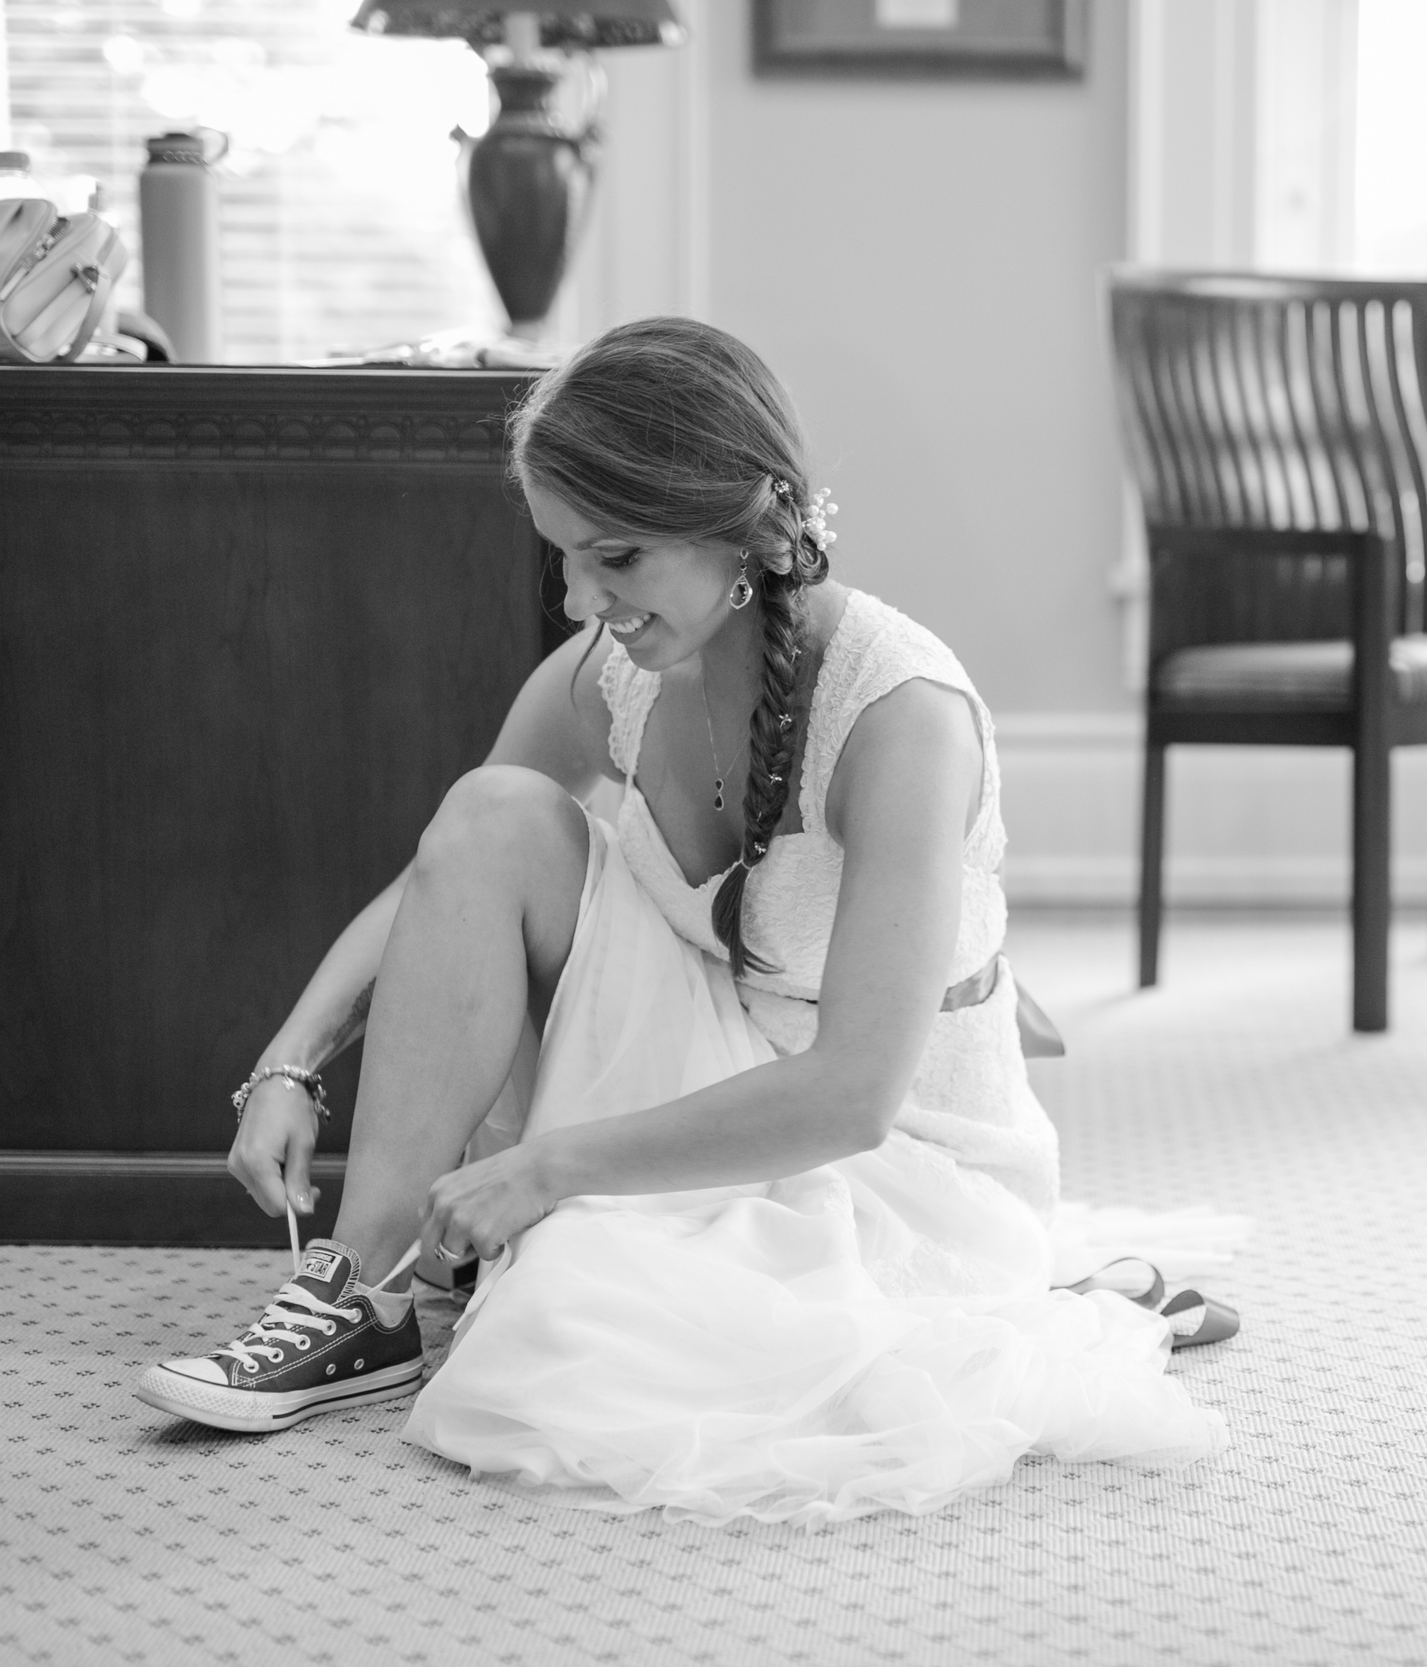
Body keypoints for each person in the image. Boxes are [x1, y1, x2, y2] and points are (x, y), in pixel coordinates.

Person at [131, 318, 1234, 1525]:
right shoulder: (610, 672)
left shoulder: (898, 715)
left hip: (888, 1152)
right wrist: (289, 1058)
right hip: (708, 1046)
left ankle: (1039, 1297)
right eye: (563, 557)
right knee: (494, 809)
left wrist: (545, 1168)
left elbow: (851, 1096)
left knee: (582, 1338)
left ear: (743, 526)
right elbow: (446, 875)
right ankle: (362, 1292)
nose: (579, 600)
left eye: (616, 557)